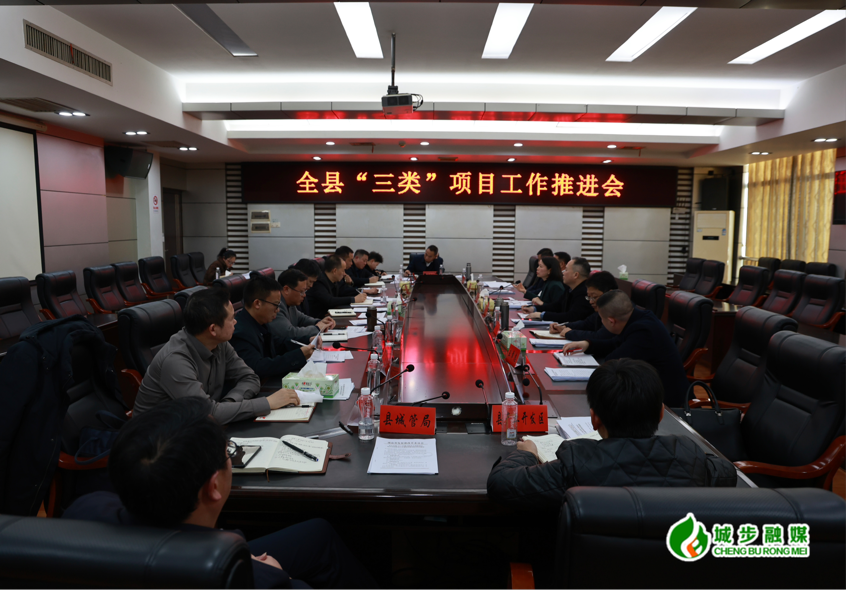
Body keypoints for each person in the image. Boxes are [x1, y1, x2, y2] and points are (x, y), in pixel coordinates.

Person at [63, 397, 378, 590]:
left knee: (317, 534)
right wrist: (273, 573)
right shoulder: (264, 581)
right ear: (213, 487)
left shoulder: (83, 510)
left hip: (197, 551)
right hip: (222, 564)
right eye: (229, 452)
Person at [487, 358, 737, 511]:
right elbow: (727, 471)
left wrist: (528, 454)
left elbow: (501, 484)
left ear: (594, 419)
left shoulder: (576, 462)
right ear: (661, 414)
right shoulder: (689, 456)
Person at [133, 288, 300, 424]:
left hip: (195, 428)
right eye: (232, 318)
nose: (236, 322)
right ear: (213, 329)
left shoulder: (219, 343)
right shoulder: (175, 360)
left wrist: (229, 404)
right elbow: (207, 413)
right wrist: (268, 403)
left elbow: (250, 377)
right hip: (158, 441)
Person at [561, 290, 689, 407]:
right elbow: (614, 343)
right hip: (644, 390)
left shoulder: (644, 332)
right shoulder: (639, 319)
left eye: (601, 319)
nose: (601, 322)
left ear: (611, 321)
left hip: (665, 403)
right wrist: (587, 344)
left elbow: (613, 361)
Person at [231, 276, 316, 380]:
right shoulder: (240, 332)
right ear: (257, 303)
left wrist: (307, 340)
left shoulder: (260, 322)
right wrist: (298, 356)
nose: (278, 310)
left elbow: (276, 344)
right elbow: (258, 368)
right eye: (275, 305)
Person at [268, 269, 335, 352]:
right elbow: (290, 333)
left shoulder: (290, 303)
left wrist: (320, 322)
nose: (304, 295)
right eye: (301, 292)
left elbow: (301, 318)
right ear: (286, 289)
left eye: (305, 291)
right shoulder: (276, 306)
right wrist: (317, 328)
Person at [549, 270, 617, 340]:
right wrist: (563, 326)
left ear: (609, 294)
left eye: (594, 297)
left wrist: (570, 333)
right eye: (589, 297)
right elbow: (586, 324)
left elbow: (600, 337)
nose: (591, 301)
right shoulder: (599, 312)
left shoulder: (616, 312)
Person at [524, 257, 593, 323]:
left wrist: (542, 315)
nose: (563, 273)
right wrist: (534, 309)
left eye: (566, 270)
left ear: (575, 275)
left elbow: (571, 316)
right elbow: (557, 306)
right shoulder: (569, 288)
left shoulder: (585, 292)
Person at [307, 255, 367, 319]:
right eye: (343, 270)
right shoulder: (319, 281)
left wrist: (361, 292)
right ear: (334, 271)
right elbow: (329, 301)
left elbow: (344, 291)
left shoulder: (335, 281)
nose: (344, 274)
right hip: (318, 319)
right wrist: (353, 299)